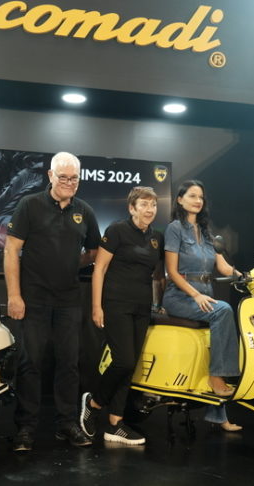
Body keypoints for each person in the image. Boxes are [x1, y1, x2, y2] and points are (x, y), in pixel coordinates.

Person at [4, 151, 100, 452]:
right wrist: (14, 295)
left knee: (69, 364)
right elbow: (11, 250)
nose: (69, 183)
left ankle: (66, 423)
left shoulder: (85, 211)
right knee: (30, 363)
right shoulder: (29, 205)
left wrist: (71, 264)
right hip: (33, 298)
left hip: (69, 299)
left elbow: (94, 252)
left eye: (75, 178)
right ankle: (26, 428)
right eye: (63, 177)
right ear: (50, 176)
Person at [79, 187, 165, 445]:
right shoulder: (117, 230)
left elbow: (157, 276)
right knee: (124, 361)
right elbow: (99, 269)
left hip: (142, 308)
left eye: (153, 205)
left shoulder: (157, 238)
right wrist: (96, 306)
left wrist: (158, 303)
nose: (149, 209)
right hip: (116, 304)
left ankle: (115, 424)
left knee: (131, 366)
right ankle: (93, 403)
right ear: (132, 208)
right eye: (144, 204)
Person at [162, 180, 242, 431]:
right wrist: (195, 295)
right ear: (180, 199)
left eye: (201, 197)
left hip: (205, 294)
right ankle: (216, 378)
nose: (198, 201)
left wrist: (247, 277)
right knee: (224, 310)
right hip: (179, 296)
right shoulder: (175, 229)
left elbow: (223, 266)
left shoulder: (207, 231)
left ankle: (218, 415)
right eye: (192, 196)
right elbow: (172, 272)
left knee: (213, 343)